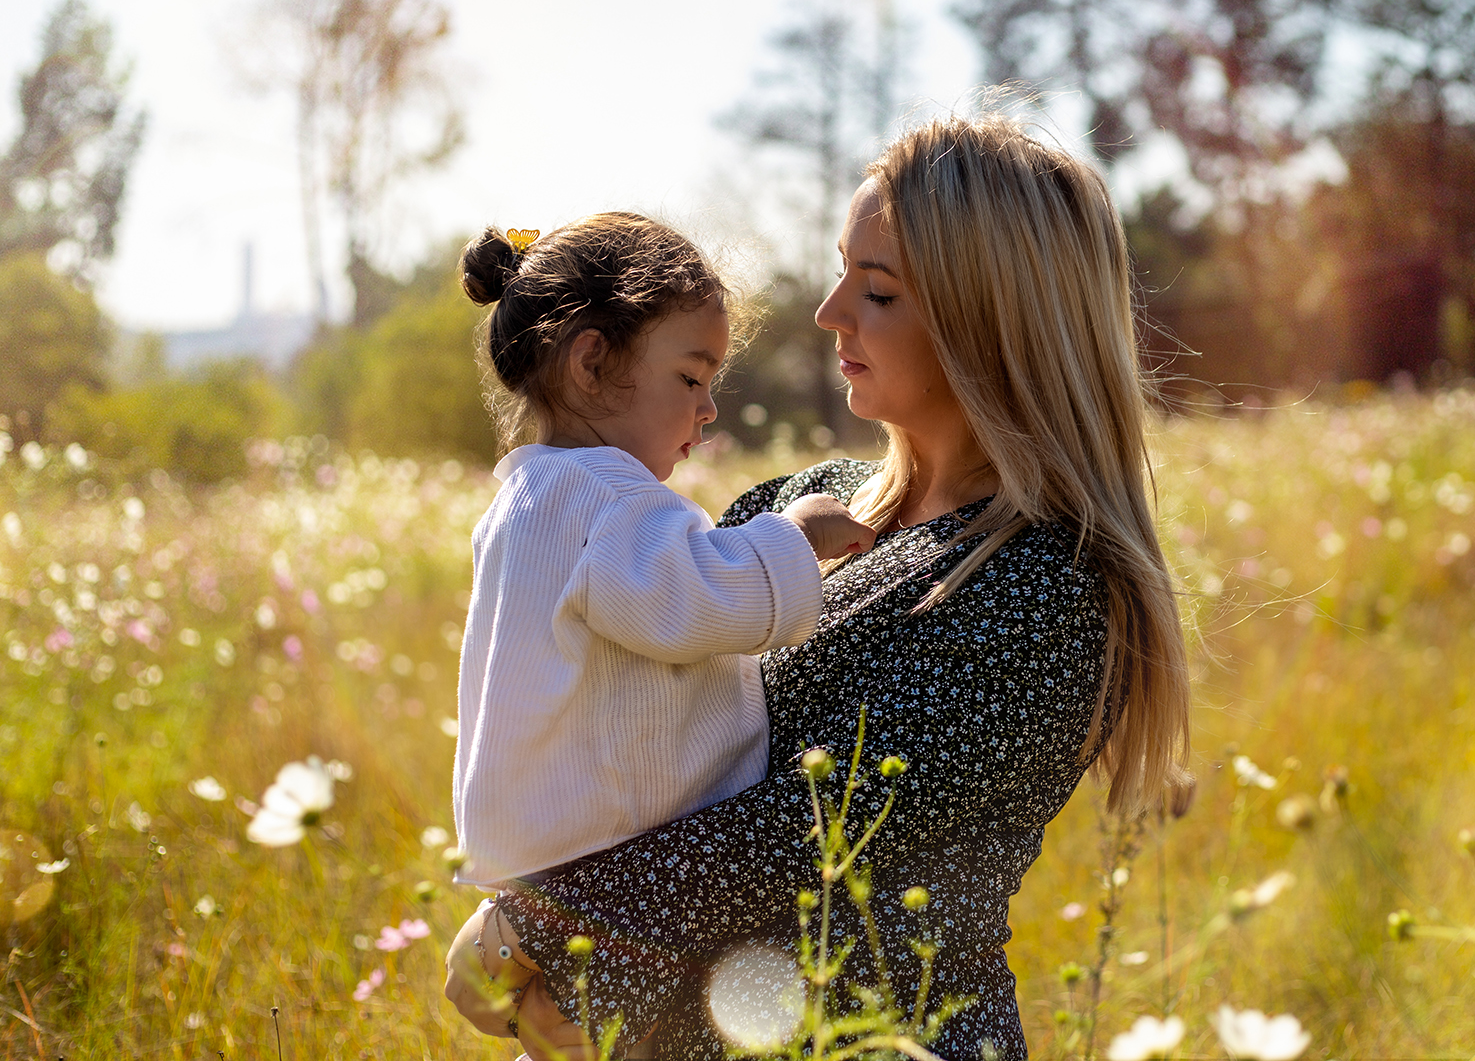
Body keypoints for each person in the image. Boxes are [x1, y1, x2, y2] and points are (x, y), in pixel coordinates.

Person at [446, 115, 1191, 1061]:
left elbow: (814, 833)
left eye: (875, 290)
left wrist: (537, 928)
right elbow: (630, 702)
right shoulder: (798, 505)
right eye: (842, 271)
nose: (829, 310)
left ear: (992, 322)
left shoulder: (1052, 587)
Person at [449, 214, 876, 897]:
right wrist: (797, 536)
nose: (708, 410)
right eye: (689, 378)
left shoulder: (528, 493)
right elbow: (690, 599)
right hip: (610, 853)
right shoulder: (603, 496)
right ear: (591, 364)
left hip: (552, 851)